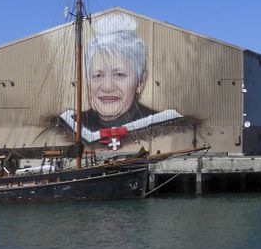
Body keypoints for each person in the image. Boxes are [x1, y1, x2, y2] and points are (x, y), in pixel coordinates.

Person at [59, 13, 183, 150]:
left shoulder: (165, 126)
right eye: (98, 75)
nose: (107, 87)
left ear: (141, 81)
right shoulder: (70, 125)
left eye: (119, 74)